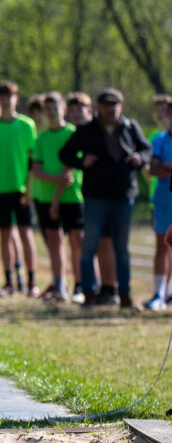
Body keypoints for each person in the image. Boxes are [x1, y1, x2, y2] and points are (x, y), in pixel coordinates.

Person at [59, 88, 151, 311]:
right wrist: (82, 161)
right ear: (98, 107)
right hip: (95, 196)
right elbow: (65, 154)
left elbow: (146, 149)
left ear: (121, 106)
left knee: (122, 249)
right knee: (89, 247)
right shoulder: (87, 130)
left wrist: (140, 158)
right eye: (106, 104)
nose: (110, 109)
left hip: (123, 196)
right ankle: (89, 294)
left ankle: (125, 295)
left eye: (114, 104)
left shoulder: (130, 127)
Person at [0, 81, 39, 297]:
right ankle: (9, 282)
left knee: (26, 234)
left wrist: (30, 189)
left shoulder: (27, 125)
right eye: (2, 97)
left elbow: (33, 162)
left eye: (9, 96)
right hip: (0, 190)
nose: (6, 101)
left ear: (16, 99)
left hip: (22, 189)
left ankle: (31, 282)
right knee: (4, 235)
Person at [31, 92, 82, 301]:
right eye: (47, 109)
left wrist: (62, 182)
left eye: (55, 108)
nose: (51, 113)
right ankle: (59, 285)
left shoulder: (73, 133)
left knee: (77, 241)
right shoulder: (41, 138)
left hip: (72, 196)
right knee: (54, 240)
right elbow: (36, 170)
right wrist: (55, 178)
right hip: (46, 197)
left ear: (63, 110)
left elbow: (70, 170)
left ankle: (81, 286)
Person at [65, 91, 100, 303]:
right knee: (77, 242)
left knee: (91, 243)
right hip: (77, 195)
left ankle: (98, 285)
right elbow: (65, 158)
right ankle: (82, 284)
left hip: (91, 195)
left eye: (80, 109)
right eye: (72, 110)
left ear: (89, 110)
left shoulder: (98, 131)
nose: (76, 114)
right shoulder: (73, 133)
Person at [146, 102, 172, 310]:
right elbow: (153, 169)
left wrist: (167, 166)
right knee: (163, 245)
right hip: (163, 198)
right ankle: (158, 293)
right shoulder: (159, 139)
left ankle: (170, 291)